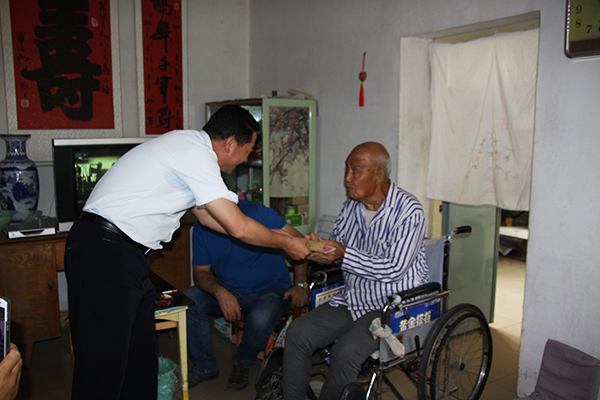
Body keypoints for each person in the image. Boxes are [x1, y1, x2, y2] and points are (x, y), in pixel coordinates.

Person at [64, 105, 311, 400]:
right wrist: (286, 244)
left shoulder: (187, 150)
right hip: (105, 252)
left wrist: (279, 236)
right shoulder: (195, 153)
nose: (246, 159)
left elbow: (208, 218)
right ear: (230, 143)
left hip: (126, 256)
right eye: (247, 151)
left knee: (138, 361)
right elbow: (238, 227)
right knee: (102, 367)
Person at [282, 142, 429, 400]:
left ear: (379, 175)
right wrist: (320, 250)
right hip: (354, 298)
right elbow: (338, 247)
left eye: (355, 170)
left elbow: (394, 269)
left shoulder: (409, 211)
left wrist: (343, 253)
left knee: (346, 352)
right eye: (346, 169)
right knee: (299, 333)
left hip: (392, 306)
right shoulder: (351, 206)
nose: (347, 178)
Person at [184, 200, 309, 391]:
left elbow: (300, 242)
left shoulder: (257, 212)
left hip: (270, 288)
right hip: (230, 289)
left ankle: (243, 362)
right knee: (189, 301)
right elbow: (200, 272)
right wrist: (220, 292)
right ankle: (204, 366)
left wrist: (300, 284)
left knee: (260, 318)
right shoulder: (203, 227)